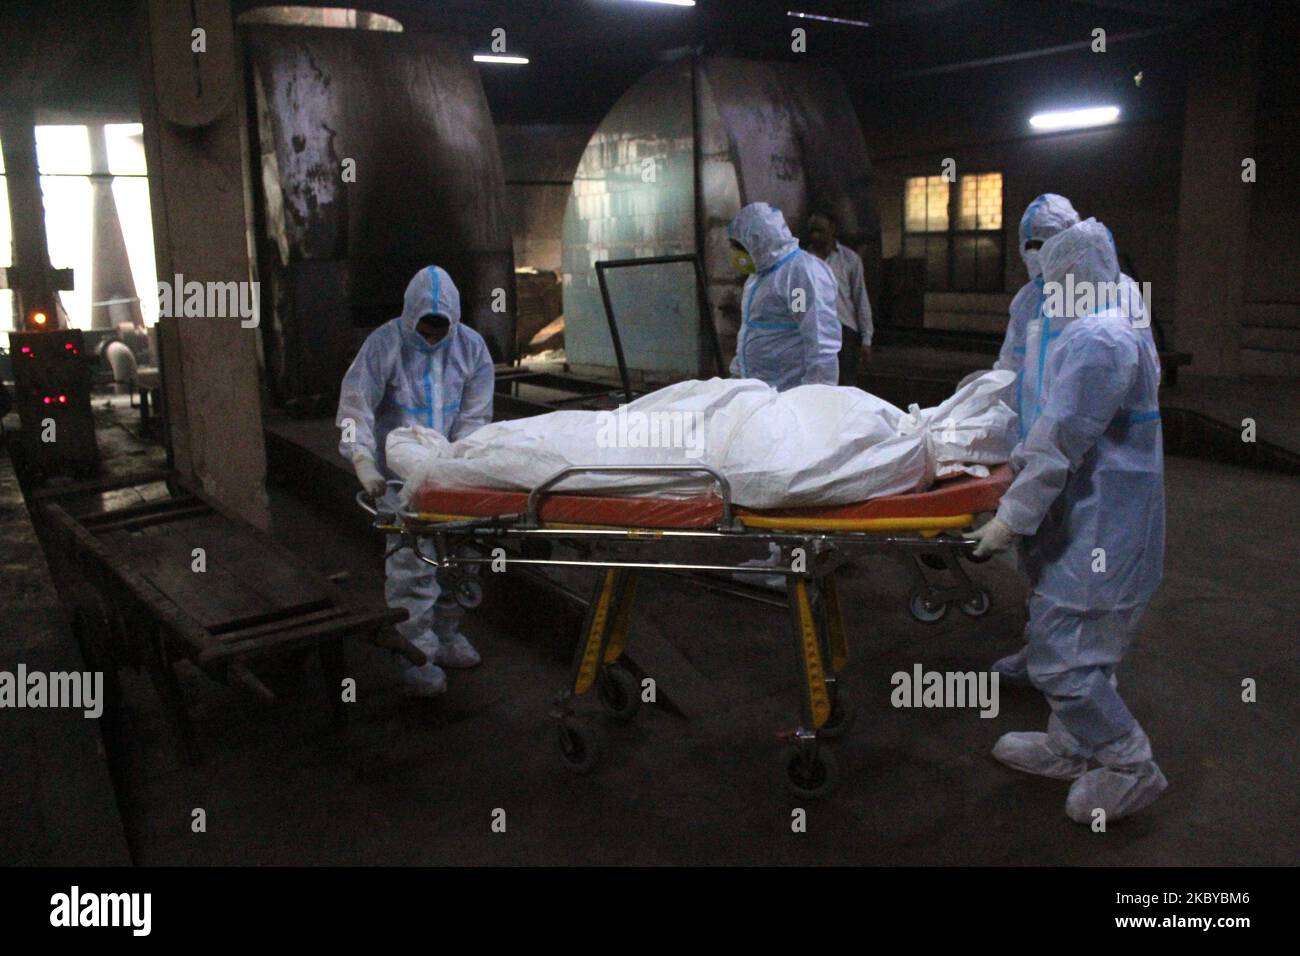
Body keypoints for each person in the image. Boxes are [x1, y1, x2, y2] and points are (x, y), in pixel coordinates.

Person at [967, 219, 1167, 824]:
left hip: (1104, 522)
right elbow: (1038, 412)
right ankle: (1074, 745)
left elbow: (1058, 443)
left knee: (1061, 657)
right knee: (1084, 647)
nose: (1045, 292)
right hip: (1089, 513)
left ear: (1071, 277)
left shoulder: (1099, 341)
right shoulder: (1099, 314)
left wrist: (1009, 519)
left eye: (1053, 280)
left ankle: (1130, 766)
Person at [336, 265, 495, 696]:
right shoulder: (383, 344)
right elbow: (356, 409)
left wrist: (462, 467)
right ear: (409, 317)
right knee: (412, 565)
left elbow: (475, 417)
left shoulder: (471, 348)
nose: (430, 337)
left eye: (438, 329)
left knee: (460, 558)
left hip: (450, 472)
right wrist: (364, 461)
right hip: (397, 478)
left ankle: (446, 634)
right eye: (423, 328)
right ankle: (416, 653)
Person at [987, 194, 1080, 684]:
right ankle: (1041, 653)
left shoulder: (1102, 304)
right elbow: (1010, 368)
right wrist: (980, 405)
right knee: (1039, 561)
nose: (1036, 254)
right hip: (1033, 446)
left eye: (1046, 242)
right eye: (1029, 245)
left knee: (1076, 570)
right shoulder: (1028, 301)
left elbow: (1084, 405)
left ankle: (1075, 683)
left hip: (1085, 462)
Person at [727, 202, 840, 391]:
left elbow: (818, 337)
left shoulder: (797, 275)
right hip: (759, 391)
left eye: (739, 248)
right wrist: (738, 373)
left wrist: (816, 394)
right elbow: (751, 329)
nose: (736, 256)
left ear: (757, 241)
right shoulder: (758, 276)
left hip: (788, 393)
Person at [803, 211, 874, 386]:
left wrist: (866, 339)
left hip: (844, 334)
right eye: (812, 231)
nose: (815, 235)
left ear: (832, 229)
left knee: (845, 387)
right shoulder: (801, 261)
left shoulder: (850, 260)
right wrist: (797, 325)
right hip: (813, 332)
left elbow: (860, 299)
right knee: (815, 387)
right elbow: (798, 296)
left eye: (820, 230)